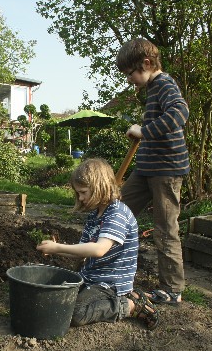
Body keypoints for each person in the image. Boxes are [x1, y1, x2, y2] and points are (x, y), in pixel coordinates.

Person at [36, 158, 159, 330]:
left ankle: (130, 306)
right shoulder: (95, 216)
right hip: (92, 278)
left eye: (83, 192)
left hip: (111, 283)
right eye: (78, 193)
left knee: (75, 314)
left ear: (99, 187)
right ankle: (129, 298)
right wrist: (54, 250)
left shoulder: (117, 213)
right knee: (57, 302)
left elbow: (99, 249)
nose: (80, 197)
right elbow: (83, 251)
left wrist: (58, 247)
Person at [115, 38, 190, 305]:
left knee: (165, 229)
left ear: (146, 64)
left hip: (166, 171)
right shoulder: (152, 88)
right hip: (146, 169)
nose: (129, 80)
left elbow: (180, 113)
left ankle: (172, 290)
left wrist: (144, 131)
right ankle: (107, 269)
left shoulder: (165, 84)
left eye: (130, 74)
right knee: (116, 211)